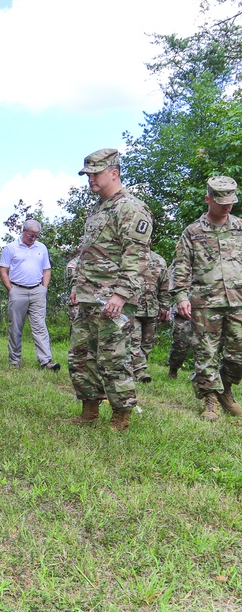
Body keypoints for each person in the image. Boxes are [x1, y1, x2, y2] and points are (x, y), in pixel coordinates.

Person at [65, 148, 152, 431]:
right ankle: (89, 410)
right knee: (81, 356)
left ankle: (121, 415)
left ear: (114, 173)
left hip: (113, 299)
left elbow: (136, 255)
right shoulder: (98, 209)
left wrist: (121, 294)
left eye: (95, 173)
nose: (89, 178)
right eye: (87, 174)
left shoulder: (131, 208)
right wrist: (78, 288)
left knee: (113, 358)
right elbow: (87, 254)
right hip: (88, 296)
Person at [171, 176, 242, 421]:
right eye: (221, 201)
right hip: (204, 301)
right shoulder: (193, 232)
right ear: (208, 199)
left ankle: (226, 387)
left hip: (238, 299)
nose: (226, 206)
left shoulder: (240, 227)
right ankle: (211, 400)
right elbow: (180, 267)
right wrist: (181, 295)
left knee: (238, 352)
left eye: (230, 202)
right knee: (206, 352)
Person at [0, 219, 59, 371]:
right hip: (17, 290)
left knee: (40, 327)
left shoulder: (41, 248)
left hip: (37, 290)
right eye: (31, 235)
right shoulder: (11, 248)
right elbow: (3, 271)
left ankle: (46, 362)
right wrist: (11, 290)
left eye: (36, 236)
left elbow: (47, 270)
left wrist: (44, 288)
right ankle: (15, 362)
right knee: (16, 328)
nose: (33, 239)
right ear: (24, 231)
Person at [129, 250, 170, 383]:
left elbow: (164, 286)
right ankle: (139, 371)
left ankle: (134, 368)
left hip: (151, 309)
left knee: (147, 344)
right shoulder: (128, 257)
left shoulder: (159, 260)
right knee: (133, 341)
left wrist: (164, 307)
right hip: (132, 308)